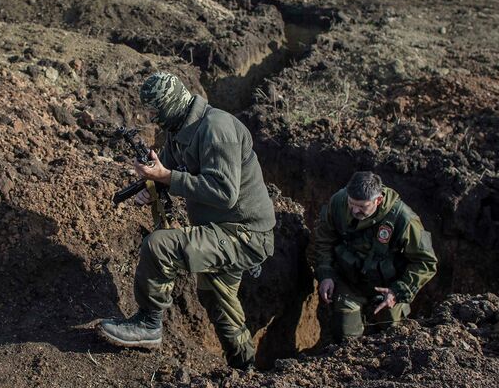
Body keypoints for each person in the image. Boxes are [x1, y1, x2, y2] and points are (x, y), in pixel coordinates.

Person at [97, 72, 276, 370]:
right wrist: (151, 185)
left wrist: (165, 177)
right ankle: (246, 370)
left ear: (171, 104)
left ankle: (149, 324)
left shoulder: (216, 128)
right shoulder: (180, 129)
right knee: (218, 303)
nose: (152, 117)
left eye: (155, 111)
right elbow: (169, 168)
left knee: (159, 247)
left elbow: (223, 193)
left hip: (245, 234)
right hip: (221, 231)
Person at [314, 171, 438, 340]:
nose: (354, 210)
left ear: (378, 200)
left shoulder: (404, 219)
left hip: (388, 287)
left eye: (362, 206)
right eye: (352, 204)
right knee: (345, 338)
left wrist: (398, 291)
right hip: (349, 281)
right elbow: (324, 238)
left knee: (392, 338)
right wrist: (326, 273)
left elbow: (425, 262)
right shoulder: (338, 202)